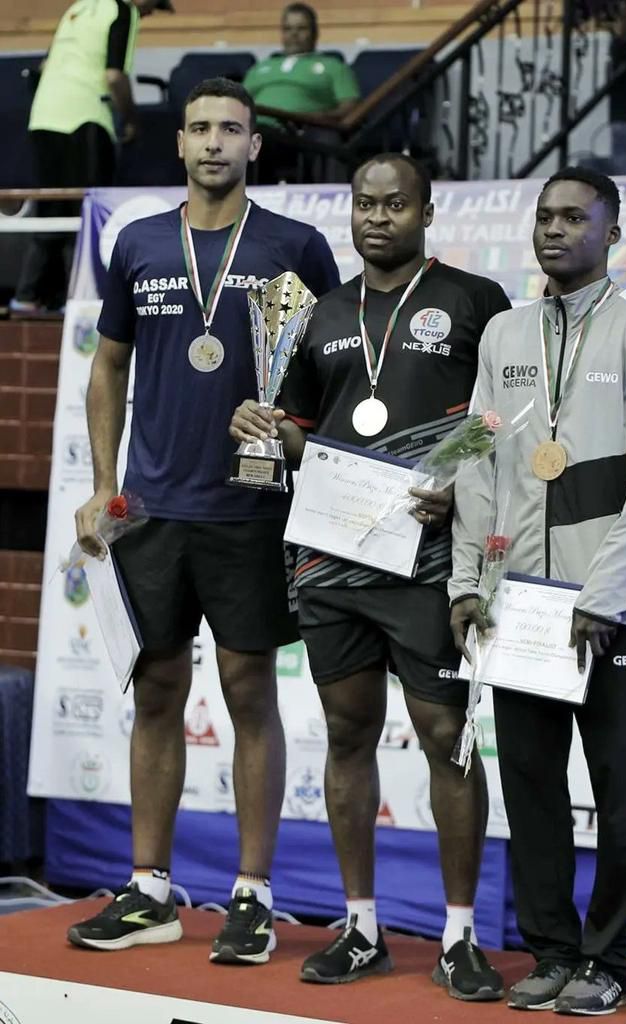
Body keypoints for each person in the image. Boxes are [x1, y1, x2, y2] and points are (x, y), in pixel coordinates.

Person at [66, 77, 340, 964]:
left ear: (256, 146)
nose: (216, 142)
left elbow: (329, 375)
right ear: (178, 144)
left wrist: (292, 435)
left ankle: (253, 897)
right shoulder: (139, 242)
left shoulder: (295, 243)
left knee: (250, 691)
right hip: (152, 511)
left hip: (251, 510)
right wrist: (106, 485)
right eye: (201, 129)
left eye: (233, 129)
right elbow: (107, 369)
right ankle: (150, 890)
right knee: (156, 694)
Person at [229, 152, 511, 998]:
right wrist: (262, 426)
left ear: (426, 212)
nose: (377, 216)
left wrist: (463, 478)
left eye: (395, 204)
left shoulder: (474, 301)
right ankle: (360, 927)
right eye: (364, 203)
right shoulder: (317, 316)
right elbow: (298, 431)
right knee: (348, 735)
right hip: (332, 558)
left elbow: (500, 418)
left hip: (429, 561)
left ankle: (460, 935)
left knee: (444, 739)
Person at [449, 167, 626, 1016]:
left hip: (615, 611)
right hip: (520, 607)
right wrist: (469, 583)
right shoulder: (504, 336)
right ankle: (551, 950)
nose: (555, 231)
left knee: (623, 792)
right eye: (545, 218)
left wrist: (608, 592)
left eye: (576, 218)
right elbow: (477, 464)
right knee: (533, 791)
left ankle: (612, 958)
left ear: (612, 233)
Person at [11, 0, 171, 314]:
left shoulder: (77, 8)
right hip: (84, 118)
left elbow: (45, 67)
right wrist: (132, 119)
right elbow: (114, 77)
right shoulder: (123, 11)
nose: (149, 13)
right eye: (153, 6)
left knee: (52, 209)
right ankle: (82, 300)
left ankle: (30, 297)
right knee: (84, 211)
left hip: (43, 117)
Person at [243, 2, 360, 183]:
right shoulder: (261, 67)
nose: (294, 34)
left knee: (327, 140)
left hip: (304, 132)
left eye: (301, 28)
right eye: (288, 29)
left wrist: (318, 117)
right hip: (259, 129)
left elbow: (350, 106)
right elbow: (239, 101)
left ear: (315, 32)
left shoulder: (333, 66)